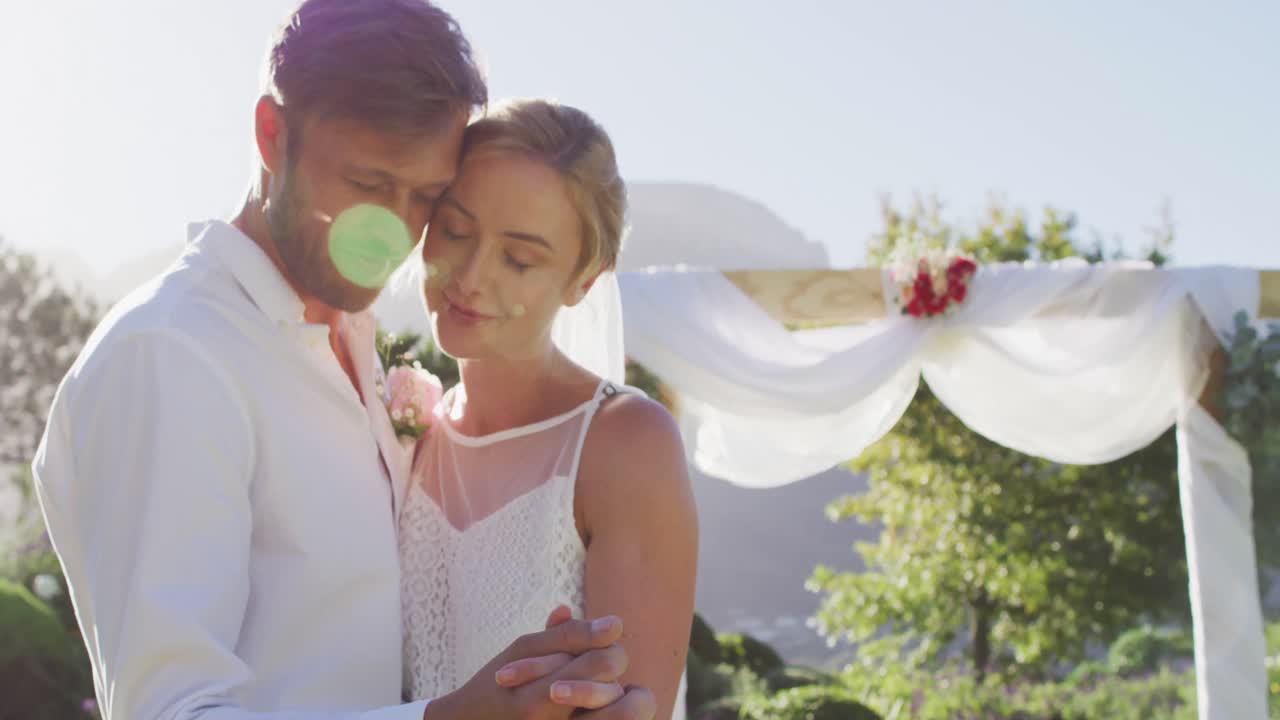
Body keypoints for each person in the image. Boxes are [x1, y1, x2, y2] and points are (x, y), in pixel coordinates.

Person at [30, 2, 655, 718]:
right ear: (272, 134)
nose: (393, 230)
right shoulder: (173, 356)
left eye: (426, 197)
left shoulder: (347, 334)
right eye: (366, 185)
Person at [398, 99, 698, 720]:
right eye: (454, 229)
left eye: (520, 259)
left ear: (585, 277)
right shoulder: (402, 432)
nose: (472, 276)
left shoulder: (624, 444)